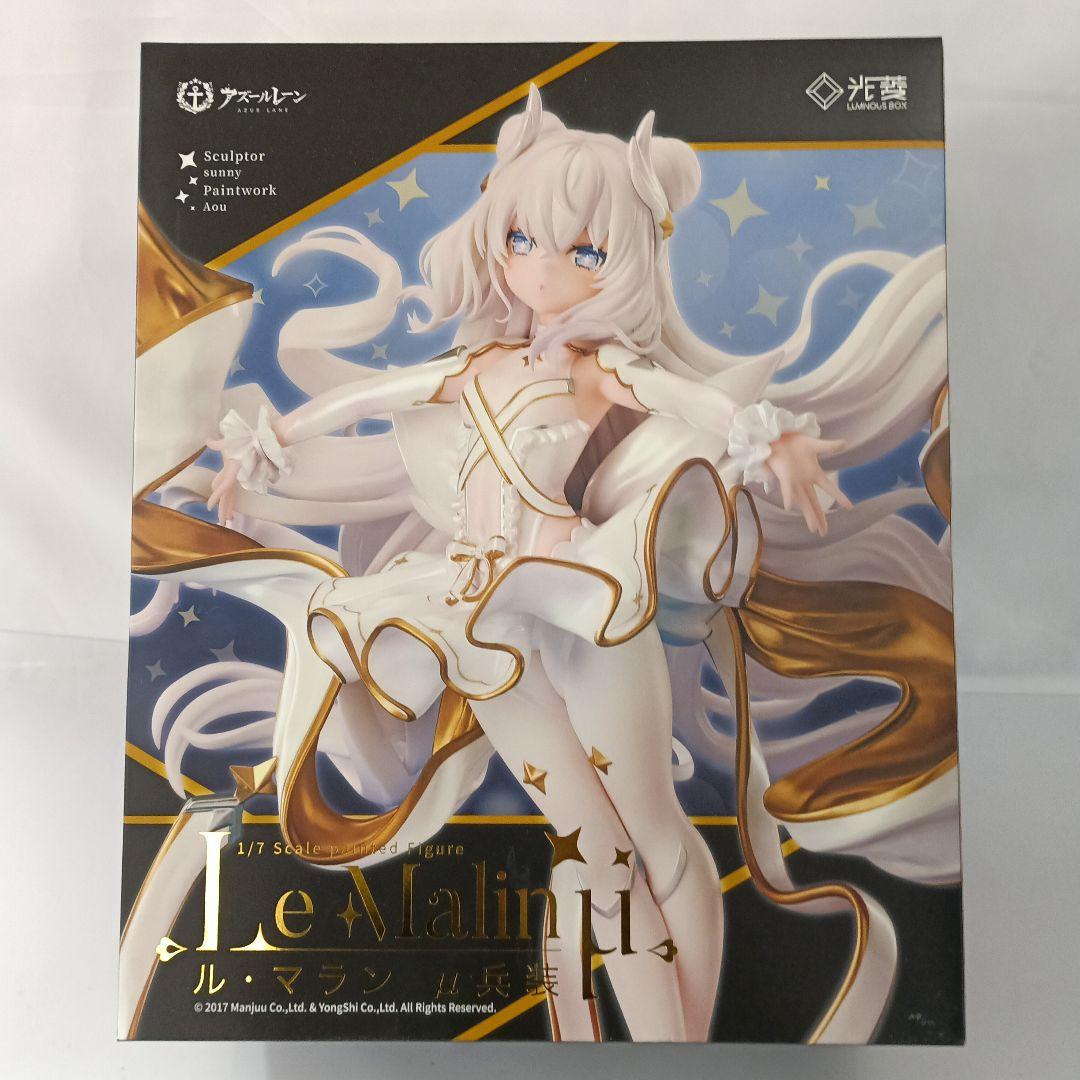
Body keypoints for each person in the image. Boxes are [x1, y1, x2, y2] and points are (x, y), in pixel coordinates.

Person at [132, 85, 953, 1042]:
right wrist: (264, 446)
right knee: (595, 849)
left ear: (625, 262)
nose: (541, 268)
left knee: (653, 836)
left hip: (581, 611)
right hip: (482, 623)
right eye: (522, 239)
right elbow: (367, 400)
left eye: (583, 252)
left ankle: (681, 1046)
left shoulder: (604, 369)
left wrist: (776, 440)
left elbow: (703, 409)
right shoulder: (476, 367)